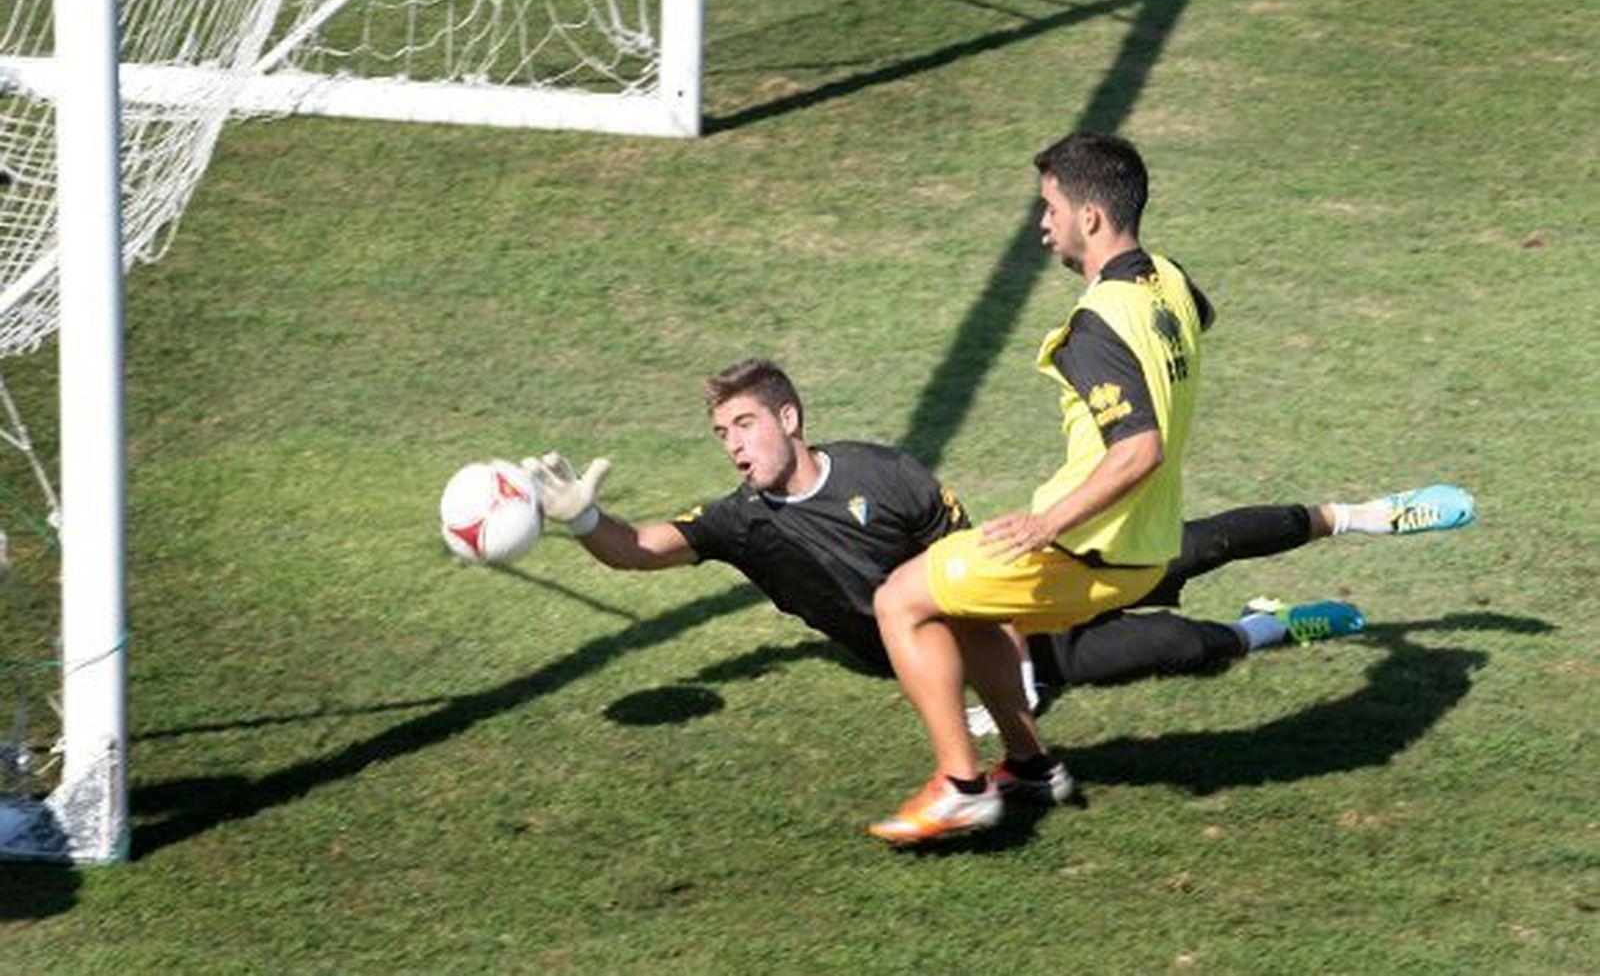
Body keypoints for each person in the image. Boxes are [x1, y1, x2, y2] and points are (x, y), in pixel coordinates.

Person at [524, 358, 1474, 831]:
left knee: (1193, 546)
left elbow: (973, 565)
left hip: (1018, 603)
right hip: (995, 652)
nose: (732, 444)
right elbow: (643, 549)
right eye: (720, 431)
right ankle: (1272, 629)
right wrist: (581, 521)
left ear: (789, 417)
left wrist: (1005, 678)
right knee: (1173, 647)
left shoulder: (885, 475)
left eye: (743, 424)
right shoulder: (739, 521)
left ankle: (1359, 515)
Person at [868, 130, 1219, 843]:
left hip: (1090, 546)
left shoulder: (1095, 326)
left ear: (1090, 218)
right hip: (1144, 543)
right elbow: (1197, 322)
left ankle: (962, 787)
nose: (1043, 222)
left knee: (899, 599)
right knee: (965, 600)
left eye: (1050, 207)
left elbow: (1140, 448)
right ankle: (1028, 765)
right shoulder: (1168, 281)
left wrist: (1047, 523)